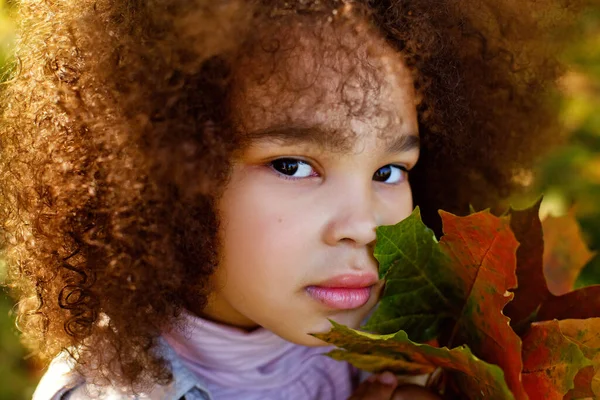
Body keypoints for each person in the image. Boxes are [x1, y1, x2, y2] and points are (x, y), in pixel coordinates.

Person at [0, 0, 582, 399]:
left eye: (388, 170)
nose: (363, 226)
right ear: (167, 172)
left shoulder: (427, 344)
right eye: (293, 165)